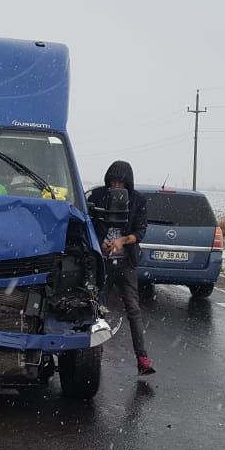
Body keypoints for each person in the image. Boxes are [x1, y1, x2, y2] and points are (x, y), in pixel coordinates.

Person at [87, 160, 155, 375]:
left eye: (121, 183)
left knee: (133, 310)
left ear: (129, 184)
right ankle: (93, 358)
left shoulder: (137, 201)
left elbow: (140, 231)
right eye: (113, 182)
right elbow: (88, 225)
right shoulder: (97, 197)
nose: (116, 187)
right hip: (102, 262)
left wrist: (122, 241)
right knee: (97, 310)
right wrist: (100, 244)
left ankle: (142, 359)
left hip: (126, 262)